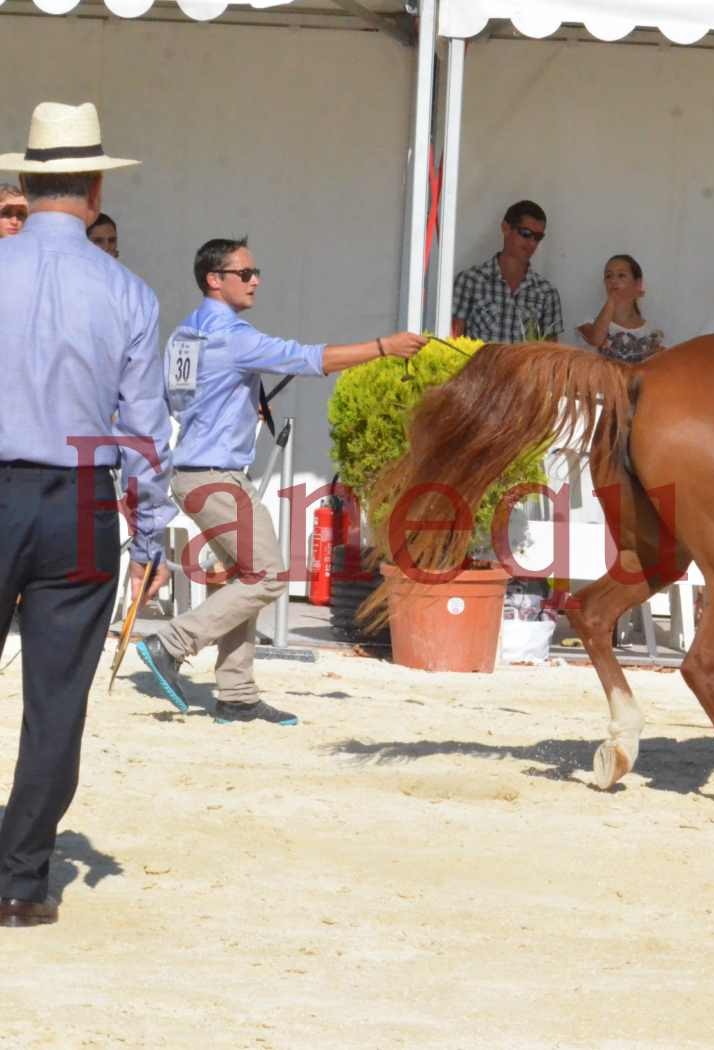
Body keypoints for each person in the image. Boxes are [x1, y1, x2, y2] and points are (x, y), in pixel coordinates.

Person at [133, 237, 425, 727]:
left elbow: (179, 399)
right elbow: (309, 359)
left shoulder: (185, 333)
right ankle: (171, 643)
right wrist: (383, 348)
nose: (255, 280)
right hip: (216, 476)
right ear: (214, 279)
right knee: (268, 574)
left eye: (255, 271)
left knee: (245, 576)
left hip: (195, 473)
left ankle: (238, 695)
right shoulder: (232, 336)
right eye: (244, 273)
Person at [0, 101, 173, 927]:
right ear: (96, 189)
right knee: (57, 696)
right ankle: (22, 878)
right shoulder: (128, 291)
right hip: (79, 499)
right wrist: (149, 530)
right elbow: (143, 430)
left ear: (26, 183)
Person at [451, 199, 563, 343]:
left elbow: (549, 354)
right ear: (505, 228)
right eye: (526, 233)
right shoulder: (470, 281)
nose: (532, 243)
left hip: (525, 366)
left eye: (538, 237)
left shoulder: (546, 293)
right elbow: (453, 340)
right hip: (481, 365)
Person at [576, 254, 664, 362]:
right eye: (608, 276)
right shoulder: (588, 323)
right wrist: (612, 300)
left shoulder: (652, 332)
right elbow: (596, 339)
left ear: (637, 283)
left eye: (621, 275)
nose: (613, 281)